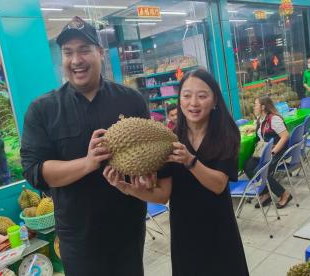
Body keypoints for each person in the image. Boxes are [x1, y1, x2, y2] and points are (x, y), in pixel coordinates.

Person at [20, 16, 149, 276]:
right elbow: (34, 170)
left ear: (100, 53)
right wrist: (88, 163)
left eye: (84, 50)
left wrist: (149, 176)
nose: (76, 60)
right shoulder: (43, 110)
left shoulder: (132, 101)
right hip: (79, 236)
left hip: (127, 227)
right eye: (68, 52)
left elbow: (147, 154)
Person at [104, 69, 249, 276]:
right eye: (187, 95)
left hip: (219, 227)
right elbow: (163, 195)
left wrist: (190, 161)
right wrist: (127, 188)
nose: (194, 103)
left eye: (202, 96)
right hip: (185, 230)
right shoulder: (169, 138)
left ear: (215, 100)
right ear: (179, 100)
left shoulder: (227, 134)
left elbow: (219, 185)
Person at [243, 96, 293, 209]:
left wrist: (274, 151)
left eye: (256, 104)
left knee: (260, 171)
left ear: (263, 107)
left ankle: (284, 194)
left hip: (276, 151)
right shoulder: (261, 118)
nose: (254, 107)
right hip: (263, 151)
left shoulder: (274, 119)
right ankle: (265, 193)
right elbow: (263, 131)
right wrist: (253, 129)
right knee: (247, 166)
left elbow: (285, 136)